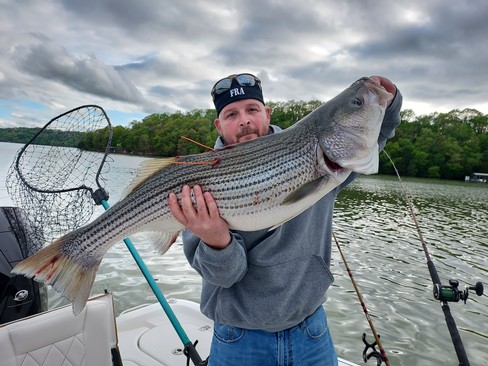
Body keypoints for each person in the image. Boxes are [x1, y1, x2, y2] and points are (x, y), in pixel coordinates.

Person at [168, 73, 402, 365]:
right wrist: (217, 242)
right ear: (218, 124)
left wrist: (388, 102)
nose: (244, 120)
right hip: (240, 337)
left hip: (310, 329)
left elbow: (373, 130)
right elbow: (225, 277)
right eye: (231, 114)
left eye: (252, 110)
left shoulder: (331, 166)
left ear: (266, 113)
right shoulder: (199, 181)